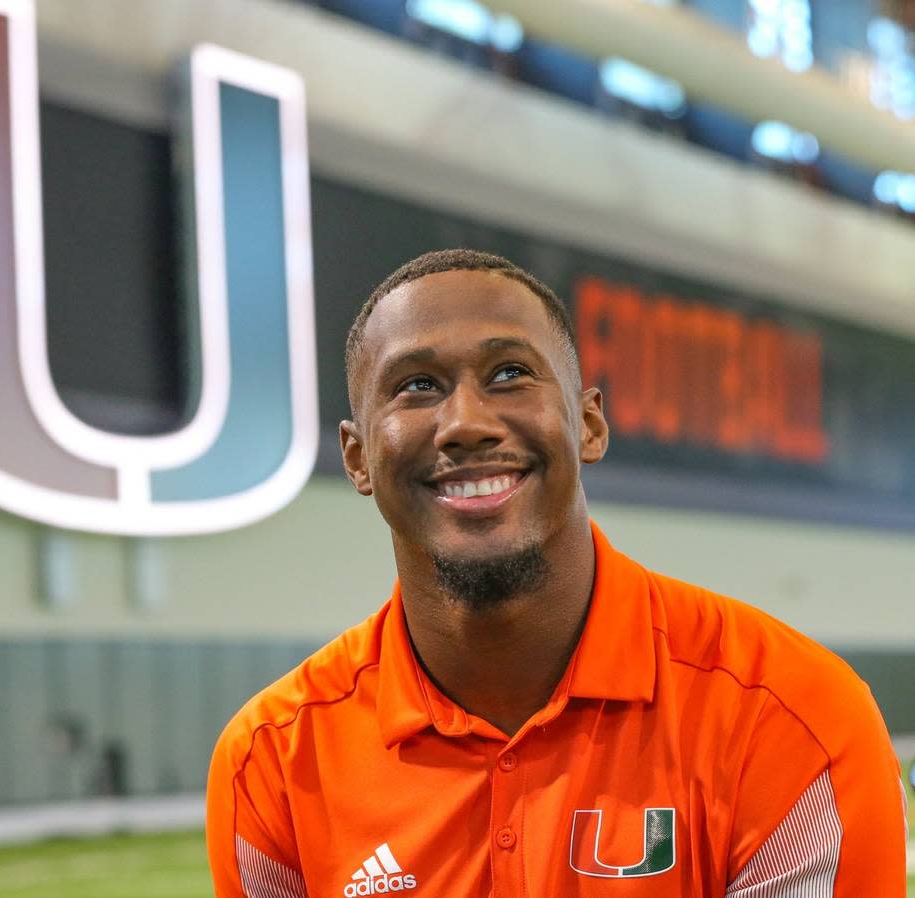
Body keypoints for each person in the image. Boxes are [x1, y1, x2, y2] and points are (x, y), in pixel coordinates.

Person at [206, 249, 907, 897]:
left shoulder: (791, 716)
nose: (465, 423)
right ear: (358, 459)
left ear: (589, 425)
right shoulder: (272, 762)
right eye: (417, 386)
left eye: (509, 374)